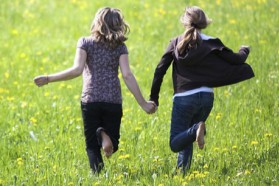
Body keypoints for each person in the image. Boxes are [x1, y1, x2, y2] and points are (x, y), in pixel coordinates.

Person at [34, 7, 156, 173]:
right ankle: (104, 135)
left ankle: (98, 173)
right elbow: (127, 75)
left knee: (92, 146)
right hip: (112, 100)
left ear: (97, 23)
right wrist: (142, 103)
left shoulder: (85, 42)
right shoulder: (120, 47)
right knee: (114, 143)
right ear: (118, 25)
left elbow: (77, 70)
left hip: (90, 99)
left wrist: (49, 79)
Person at [149, 6, 254, 172]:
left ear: (184, 22)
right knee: (187, 136)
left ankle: (197, 128)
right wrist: (244, 50)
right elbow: (237, 60)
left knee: (175, 142)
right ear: (205, 22)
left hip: (184, 98)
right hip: (206, 97)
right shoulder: (212, 42)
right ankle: (183, 174)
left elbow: (160, 69)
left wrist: (154, 98)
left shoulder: (176, 42)